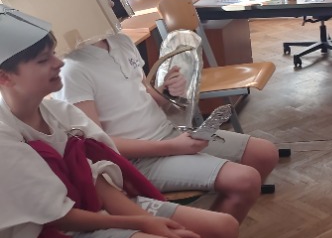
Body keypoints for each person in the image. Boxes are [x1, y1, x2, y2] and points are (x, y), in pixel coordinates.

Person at [0, 5, 248, 238]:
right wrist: (141, 221)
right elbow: (60, 217)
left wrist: (146, 219)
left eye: (54, 54)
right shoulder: (6, 137)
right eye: (43, 60)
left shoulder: (59, 113)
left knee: (223, 227)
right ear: (4, 76)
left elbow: (95, 180)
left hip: (92, 209)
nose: (58, 63)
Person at [55, 31, 279, 227]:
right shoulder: (72, 68)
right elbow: (97, 145)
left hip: (168, 135)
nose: (113, 4)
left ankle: (218, 234)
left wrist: (167, 91)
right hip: (136, 161)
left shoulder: (120, 41)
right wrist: (172, 147)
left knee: (264, 153)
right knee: (245, 180)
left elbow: (145, 94)